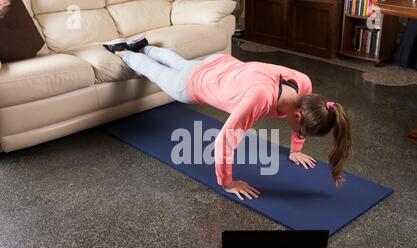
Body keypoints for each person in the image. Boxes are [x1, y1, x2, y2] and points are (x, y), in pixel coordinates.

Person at [104, 36, 352, 201]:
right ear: (299, 115)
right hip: (192, 85)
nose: (300, 134)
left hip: (219, 65)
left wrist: (295, 150)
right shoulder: (259, 98)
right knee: (154, 71)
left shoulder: (304, 85)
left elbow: (302, 122)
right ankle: (123, 52)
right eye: (302, 131)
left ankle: (144, 45)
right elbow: (224, 141)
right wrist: (227, 182)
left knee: (179, 62)